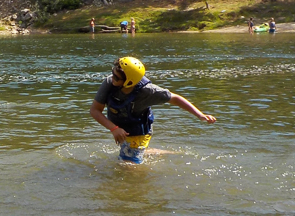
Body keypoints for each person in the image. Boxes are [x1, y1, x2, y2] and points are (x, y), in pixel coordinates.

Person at [89, 56, 217, 164]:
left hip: (138, 128)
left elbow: (175, 98)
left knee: (128, 165)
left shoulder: (149, 91)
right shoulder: (109, 83)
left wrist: (200, 115)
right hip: (118, 126)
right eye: (112, 73)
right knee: (130, 152)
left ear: (129, 81)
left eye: (116, 77)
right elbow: (95, 110)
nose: (112, 78)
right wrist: (114, 129)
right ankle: (163, 153)